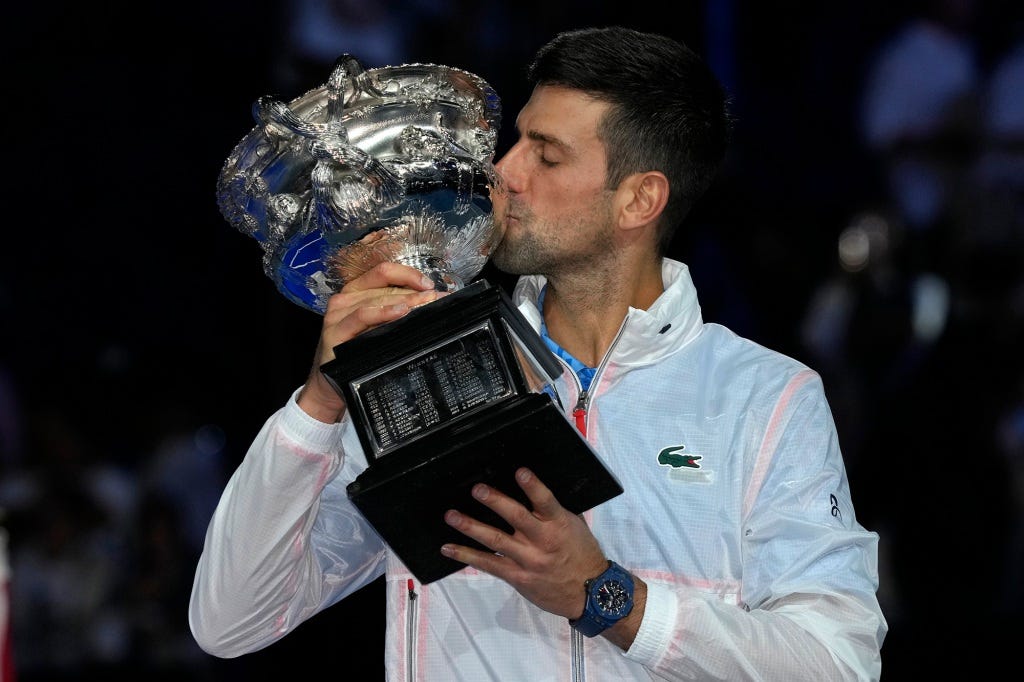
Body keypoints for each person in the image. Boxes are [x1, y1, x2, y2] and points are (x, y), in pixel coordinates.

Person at [189, 25, 887, 680]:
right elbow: (231, 621)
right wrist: (319, 403)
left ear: (639, 199)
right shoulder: (417, 369)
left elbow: (838, 662)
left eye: (547, 155)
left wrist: (607, 597)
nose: (505, 173)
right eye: (515, 142)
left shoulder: (764, 397)